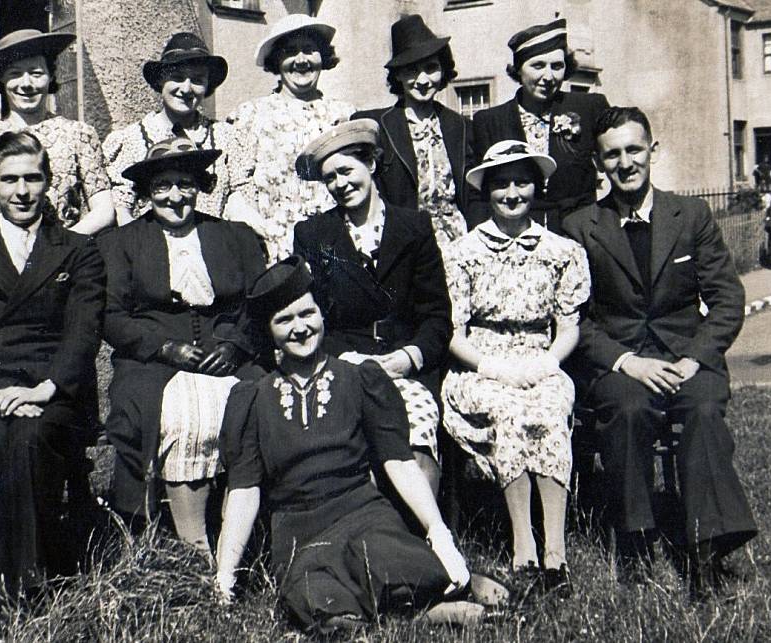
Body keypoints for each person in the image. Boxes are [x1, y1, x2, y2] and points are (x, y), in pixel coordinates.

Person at [214, 257, 508, 634]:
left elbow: (398, 462)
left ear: (323, 313)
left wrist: (438, 532)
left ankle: (430, 594)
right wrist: (226, 576)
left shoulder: (358, 378)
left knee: (394, 564)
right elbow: (244, 490)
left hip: (362, 512)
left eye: (308, 314)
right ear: (269, 332)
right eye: (284, 321)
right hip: (299, 531)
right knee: (320, 602)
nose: (300, 328)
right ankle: (427, 613)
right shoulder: (253, 398)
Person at [561, 106, 757, 599]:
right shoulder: (580, 226)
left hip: (688, 355)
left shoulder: (690, 215)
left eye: (633, 149)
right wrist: (627, 362)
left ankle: (706, 553)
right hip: (621, 362)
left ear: (653, 149)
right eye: (612, 155)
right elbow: (574, 317)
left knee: (703, 408)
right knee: (627, 409)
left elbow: (727, 297)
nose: (625, 163)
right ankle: (637, 542)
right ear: (598, 163)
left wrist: (695, 357)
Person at [0, 131, 105, 605]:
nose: (22, 191)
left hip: (52, 387)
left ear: (49, 181)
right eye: (10, 180)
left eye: (33, 178)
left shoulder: (76, 250)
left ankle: (32, 586)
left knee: (31, 440)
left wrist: (44, 390)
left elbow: (83, 332)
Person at [99, 137, 265, 557]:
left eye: (185, 184)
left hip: (228, 354)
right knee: (180, 418)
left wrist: (233, 344)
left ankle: (245, 540)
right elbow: (112, 317)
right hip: (151, 361)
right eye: (162, 186)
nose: (175, 196)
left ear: (200, 186)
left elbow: (258, 303)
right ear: (146, 192)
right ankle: (196, 547)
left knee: (261, 408)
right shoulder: (120, 243)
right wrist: (165, 348)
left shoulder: (235, 236)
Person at [442, 140, 590, 593]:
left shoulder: (562, 251)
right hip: (480, 365)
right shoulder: (462, 251)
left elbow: (569, 326)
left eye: (521, 181)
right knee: (508, 413)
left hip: (540, 360)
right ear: (486, 191)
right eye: (501, 183)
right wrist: (495, 368)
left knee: (546, 411)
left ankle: (555, 553)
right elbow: (451, 332)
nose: (512, 192)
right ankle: (523, 543)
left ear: (536, 187)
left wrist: (547, 361)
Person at [293, 120, 451, 496]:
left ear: (372, 165)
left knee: (415, 440)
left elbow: (437, 316)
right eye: (330, 178)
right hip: (345, 363)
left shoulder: (414, 228)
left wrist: (410, 357)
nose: (340, 185)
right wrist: (342, 358)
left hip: (405, 365)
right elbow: (311, 318)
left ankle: (421, 541)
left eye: (347, 171)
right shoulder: (314, 234)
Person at [0, 29, 114, 240]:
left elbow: (104, 209)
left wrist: (63, 246)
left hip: (65, 257)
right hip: (2, 264)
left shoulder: (79, 135)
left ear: (50, 76)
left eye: (36, 73)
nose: (26, 84)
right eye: (15, 73)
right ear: (2, 79)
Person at [226, 14, 355, 262]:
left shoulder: (344, 115)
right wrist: (259, 230)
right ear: (276, 60)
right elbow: (235, 187)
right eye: (290, 51)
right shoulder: (249, 116)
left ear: (323, 57)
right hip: (276, 247)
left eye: (310, 50)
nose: (301, 60)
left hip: (337, 244)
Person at [352, 14, 480, 258]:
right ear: (398, 75)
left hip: (459, 242)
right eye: (412, 70)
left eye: (431, 68)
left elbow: (474, 191)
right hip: (402, 244)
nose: (422, 80)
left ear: (443, 71)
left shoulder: (461, 126)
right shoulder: (377, 124)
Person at [473, 19, 610, 233]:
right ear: (518, 70)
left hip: (582, 232)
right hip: (516, 234)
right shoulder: (489, 121)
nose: (548, 77)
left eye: (557, 66)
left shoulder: (590, 107)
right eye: (538, 66)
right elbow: (478, 195)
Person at [103, 32, 237, 225]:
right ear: (160, 81)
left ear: (208, 85)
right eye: (177, 77)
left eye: (197, 80)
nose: (186, 88)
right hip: (151, 248)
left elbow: (237, 199)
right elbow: (122, 209)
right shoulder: (130, 140)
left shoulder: (226, 137)